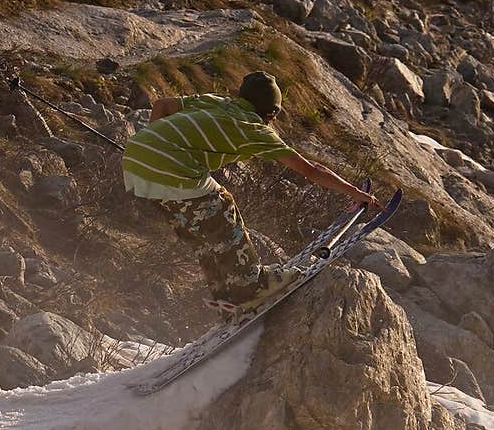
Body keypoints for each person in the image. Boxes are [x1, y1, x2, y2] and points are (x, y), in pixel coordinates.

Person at [122, 71, 379, 313]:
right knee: (222, 206)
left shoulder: (218, 102)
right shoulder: (255, 129)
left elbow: (163, 105)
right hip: (171, 169)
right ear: (272, 113)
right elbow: (311, 170)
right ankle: (252, 285)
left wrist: (154, 145)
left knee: (200, 230)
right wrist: (356, 192)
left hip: (135, 157)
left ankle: (224, 293)